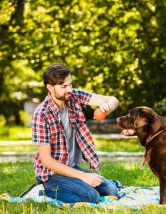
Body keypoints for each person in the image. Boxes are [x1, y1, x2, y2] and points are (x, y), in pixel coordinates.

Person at [31, 62, 119, 203]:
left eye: (70, 84)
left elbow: (113, 99)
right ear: (49, 87)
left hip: (71, 168)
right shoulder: (41, 114)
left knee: (111, 190)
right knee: (91, 197)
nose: (69, 89)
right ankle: (42, 191)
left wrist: (106, 108)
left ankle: (76, 186)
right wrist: (83, 177)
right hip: (52, 175)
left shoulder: (73, 96)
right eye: (64, 86)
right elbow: (46, 161)